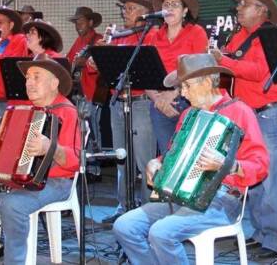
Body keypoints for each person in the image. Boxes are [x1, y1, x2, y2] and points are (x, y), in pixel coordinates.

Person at [113, 53, 268, 264]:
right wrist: (157, 163)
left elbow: (261, 165)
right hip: (179, 197)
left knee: (161, 233)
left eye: (186, 86)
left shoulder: (239, 111)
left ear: (206, 82)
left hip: (221, 200)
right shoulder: (188, 115)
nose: (183, 94)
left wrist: (228, 165)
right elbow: (175, 155)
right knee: (124, 226)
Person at [0, 54, 81, 265]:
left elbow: (75, 161)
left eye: (36, 77)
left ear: (54, 83)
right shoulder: (24, 110)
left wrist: (49, 148)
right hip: (17, 180)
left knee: (12, 204)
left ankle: (15, 261)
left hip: (56, 182)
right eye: (27, 77)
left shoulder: (67, 112)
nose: (29, 83)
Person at [210, 0, 277, 259]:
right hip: (249, 114)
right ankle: (260, 232)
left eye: (244, 4)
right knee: (251, 176)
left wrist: (225, 61)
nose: (238, 8)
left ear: (261, 10)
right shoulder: (240, 36)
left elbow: (261, 72)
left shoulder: (270, 35)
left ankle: (276, 240)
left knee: (269, 180)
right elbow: (230, 65)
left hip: (271, 113)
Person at [91, 0, 158, 224]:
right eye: (125, 8)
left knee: (144, 160)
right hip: (118, 102)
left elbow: (150, 66)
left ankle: (149, 212)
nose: (125, 13)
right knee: (122, 158)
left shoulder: (151, 35)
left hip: (140, 103)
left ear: (144, 13)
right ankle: (124, 207)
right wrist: (100, 53)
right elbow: (95, 69)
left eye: (130, 8)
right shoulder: (119, 35)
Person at [146, 0, 208, 152]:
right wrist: (157, 100)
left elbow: (201, 69)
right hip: (159, 103)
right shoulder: (153, 36)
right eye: (166, 5)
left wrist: (174, 93)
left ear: (185, 11)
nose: (170, 8)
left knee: (189, 155)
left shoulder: (196, 32)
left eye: (175, 5)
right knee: (168, 157)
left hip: (189, 101)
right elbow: (144, 72)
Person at [66, 6, 104, 178]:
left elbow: (100, 66)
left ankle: (95, 170)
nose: (77, 25)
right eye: (76, 22)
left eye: (80, 21)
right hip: (80, 93)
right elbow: (69, 61)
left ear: (90, 22)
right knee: (83, 130)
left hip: (93, 92)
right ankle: (87, 167)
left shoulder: (98, 40)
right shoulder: (79, 41)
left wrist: (83, 62)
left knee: (93, 130)